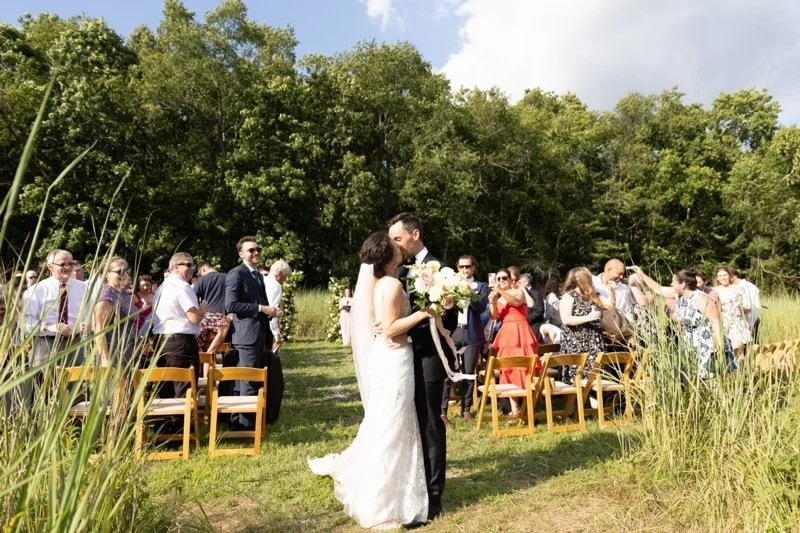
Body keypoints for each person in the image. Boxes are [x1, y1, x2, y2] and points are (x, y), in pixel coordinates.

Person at [308, 231, 433, 528]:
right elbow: (390, 328)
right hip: (394, 358)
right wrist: (423, 314)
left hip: (387, 357)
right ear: (387, 255)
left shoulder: (380, 282)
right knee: (391, 426)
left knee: (387, 422)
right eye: (395, 246)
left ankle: (390, 493)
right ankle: (381, 502)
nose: (399, 248)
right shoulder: (390, 284)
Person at [388, 212, 455, 521]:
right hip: (400, 358)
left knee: (430, 423)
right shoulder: (397, 272)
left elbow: (450, 322)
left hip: (429, 357)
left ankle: (433, 493)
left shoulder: (442, 270)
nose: (394, 244)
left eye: (398, 238)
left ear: (414, 235)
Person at [225, 236, 280, 428]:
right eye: (251, 250)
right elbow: (230, 304)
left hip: (260, 333)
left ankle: (245, 423)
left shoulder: (257, 275)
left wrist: (271, 312)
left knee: (253, 379)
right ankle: (245, 427)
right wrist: (261, 309)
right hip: (246, 336)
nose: (256, 252)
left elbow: (262, 303)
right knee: (247, 380)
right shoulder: (236, 274)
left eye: (258, 249)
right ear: (241, 254)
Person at [632, 266, 722, 378]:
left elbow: (715, 322)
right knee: (689, 376)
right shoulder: (678, 295)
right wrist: (642, 274)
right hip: (687, 343)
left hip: (705, 343)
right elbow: (658, 288)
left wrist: (720, 347)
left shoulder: (701, 298)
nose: (671, 284)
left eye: (673, 282)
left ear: (683, 284)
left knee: (708, 378)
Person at [151, 253, 206, 399]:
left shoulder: (162, 287)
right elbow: (194, 317)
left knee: (166, 386)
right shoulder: (181, 286)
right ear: (175, 267)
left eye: (193, 265)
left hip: (162, 340)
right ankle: (182, 421)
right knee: (183, 386)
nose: (192, 269)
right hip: (180, 342)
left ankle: (166, 421)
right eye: (187, 265)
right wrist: (203, 309)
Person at [23, 249, 90, 367]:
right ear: (50, 267)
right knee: (45, 384)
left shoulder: (83, 288)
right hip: (46, 345)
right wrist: (49, 327)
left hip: (75, 344)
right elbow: (26, 323)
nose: (68, 267)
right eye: (63, 264)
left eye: (71, 263)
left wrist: (85, 324)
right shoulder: (36, 291)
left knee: (74, 383)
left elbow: (88, 314)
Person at [441, 255, 488, 422]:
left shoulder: (481, 286)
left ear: (473, 267)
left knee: (468, 372)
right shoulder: (449, 285)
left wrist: (468, 291)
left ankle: (466, 409)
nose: (464, 270)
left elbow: (481, 308)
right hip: (454, 332)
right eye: (461, 267)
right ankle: (442, 411)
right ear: (457, 267)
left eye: (468, 266)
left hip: (471, 333)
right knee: (448, 372)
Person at [488, 268, 540, 415]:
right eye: (498, 278)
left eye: (504, 278)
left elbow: (517, 303)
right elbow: (494, 316)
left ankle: (528, 405)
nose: (501, 281)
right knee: (507, 368)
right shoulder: (499, 298)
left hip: (521, 331)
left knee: (524, 367)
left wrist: (501, 291)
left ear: (511, 280)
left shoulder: (518, 291)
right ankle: (514, 406)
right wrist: (492, 302)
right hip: (506, 334)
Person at [559, 267, 605, 383]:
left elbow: (609, 306)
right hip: (577, 341)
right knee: (578, 375)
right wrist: (588, 318)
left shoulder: (592, 296)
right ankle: (577, 400)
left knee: (595, 376)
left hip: (593, 340)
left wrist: (612, 292)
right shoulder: (568, 296)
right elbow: (566, 319)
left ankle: (596, 401)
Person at [94, 257, 137, 367]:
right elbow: (99, 329)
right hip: (113, 353)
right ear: (107, 274)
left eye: (127, 271)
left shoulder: (122, 292)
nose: (125, 274)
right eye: (120, 272)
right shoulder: (108, 295)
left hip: (127, 350)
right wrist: (105, 359)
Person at [714, 266, 751, 359]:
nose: (723, 278)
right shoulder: (714, 290)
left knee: (738, 352)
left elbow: (748, 306)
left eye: (725, 275)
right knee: (723, 353)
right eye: (720, 276)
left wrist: (741, 308)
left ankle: (741, 372)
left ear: (729, 276)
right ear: (717, 278)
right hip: (722, 324)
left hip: (736, 323)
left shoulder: (738, 288)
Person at [193, 262, 229, 356]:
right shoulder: (228, 277)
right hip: (226, 319)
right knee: (224, 351)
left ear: (203, 269)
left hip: (207, 320)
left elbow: (194, 300)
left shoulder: (200, 280)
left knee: (205, 350)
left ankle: (206, 368)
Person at [265, 260, 291, 353]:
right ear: (279, 273)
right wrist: (276, 334)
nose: (286, 279)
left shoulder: (263, 280)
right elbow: (272, 311)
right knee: (271, 358)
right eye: (286, 275)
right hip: (268, 328)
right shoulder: (276, 286)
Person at [731, 268, 761, 342]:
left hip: (750, 321)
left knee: (752, 347)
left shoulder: (748, 287)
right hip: (736, 324)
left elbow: (755, 307)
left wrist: (751, 324)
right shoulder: (733, 287)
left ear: (733, 276)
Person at [519, 273, 545, 341]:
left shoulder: (536, 293)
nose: (518, 284)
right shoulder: (519, 293)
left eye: (520, 282)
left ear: (526, 282)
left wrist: (527, 319)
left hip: (533, 326)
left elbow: (539, 310)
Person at [542, 277, 563, 343]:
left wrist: (545, 321)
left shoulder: (551, 296)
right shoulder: (558, 295)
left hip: (555, 322)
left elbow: (549, 312)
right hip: (560, 321)